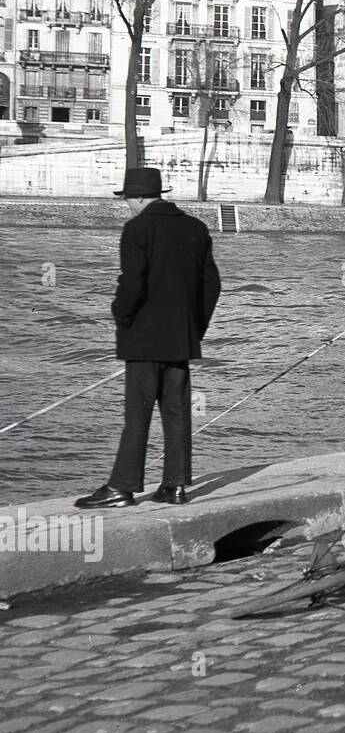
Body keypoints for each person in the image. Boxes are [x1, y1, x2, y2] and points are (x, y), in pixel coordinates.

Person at [75, 167, 221, 508]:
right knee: (177, 412)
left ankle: (121, 489)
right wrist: (193, 328)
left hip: (143, 337)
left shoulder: (137, 228)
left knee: (137, 415)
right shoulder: (195, 228)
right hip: (180, 340)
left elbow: (132, 283)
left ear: (139, 198)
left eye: (128, 198)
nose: (127, 205)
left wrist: (120, 316)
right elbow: (212, 286)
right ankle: (175, 487)